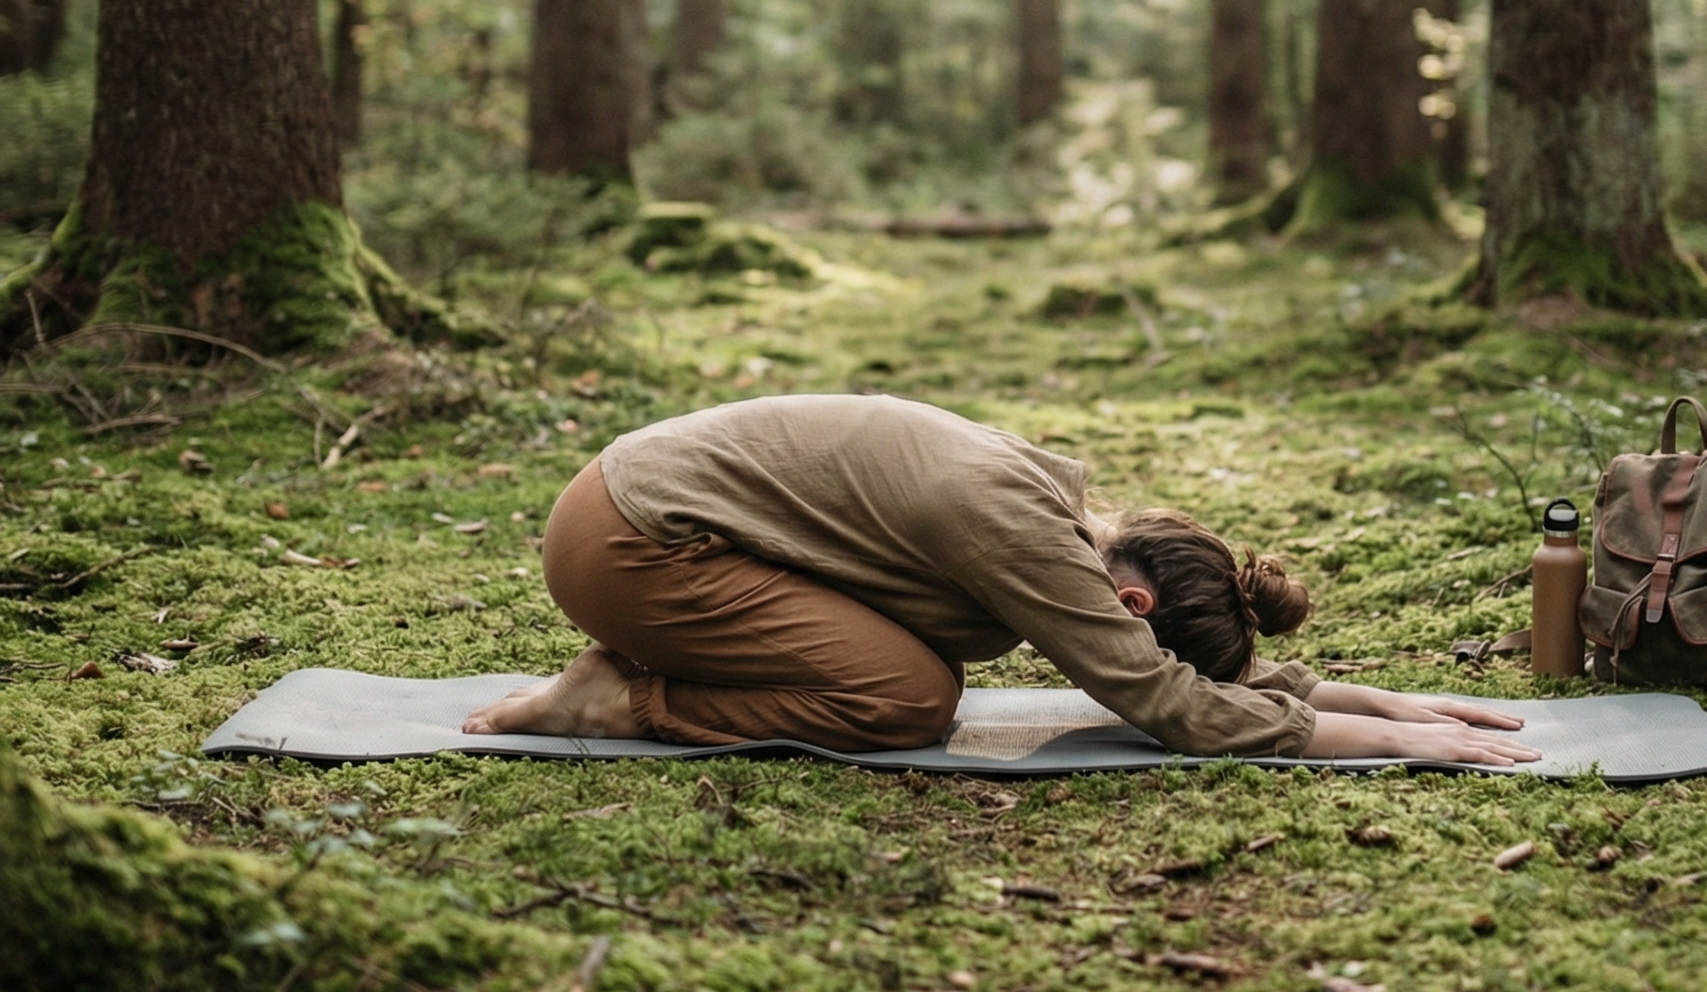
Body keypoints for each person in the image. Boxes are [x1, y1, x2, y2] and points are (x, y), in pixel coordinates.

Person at [463, 393, 1536, 766]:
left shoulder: (1056, 504)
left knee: (909, 676)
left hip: (641, 509)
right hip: (635, 544)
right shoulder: (1026, 535)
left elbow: (1182, 680)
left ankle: (628, 675)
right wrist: (1393, 742)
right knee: (907, 699)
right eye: (1129, 635)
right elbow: (1170, 703)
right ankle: (618, 701)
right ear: (1133, 607)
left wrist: (1357, 694)